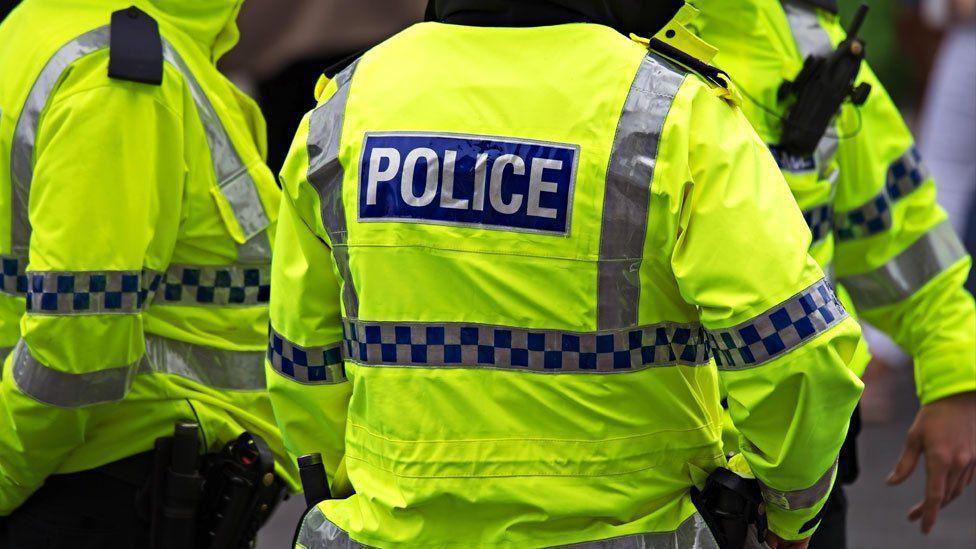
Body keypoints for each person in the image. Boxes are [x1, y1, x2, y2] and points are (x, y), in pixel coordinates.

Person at [266, 1, 864, 547]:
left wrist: (353, 485)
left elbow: (304, 359)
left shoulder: (342, 108)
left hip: (391, 531)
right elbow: (797, 354)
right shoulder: (671, 111)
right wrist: (791, 510)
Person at [0, 0, 297, 546]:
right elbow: (80, 341)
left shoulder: (46, 27)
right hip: (94, 492)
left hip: (88, 479)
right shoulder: (118, 75)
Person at [683, 0, 976, 546]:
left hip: (797, 473)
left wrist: (955, 376)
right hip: (648, 465)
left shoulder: (806, 38)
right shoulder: (590, 40)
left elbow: (897, 230)